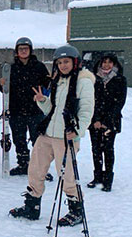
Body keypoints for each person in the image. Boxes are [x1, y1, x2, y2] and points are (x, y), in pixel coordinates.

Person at [9, 45, 95, 227]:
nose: (63, 65)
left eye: (66, 62)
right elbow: (53, 110)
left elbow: (86, 111)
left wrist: (77, 131)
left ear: (75, 62)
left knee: (68, 175)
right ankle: (32, 206)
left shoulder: (83, 81)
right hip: (47, 133)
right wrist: (42, 101)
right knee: (35, 170)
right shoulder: (58, 80)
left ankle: (76, 210)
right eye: (60, 62)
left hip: (67, 137)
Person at [0, 37, 50, 176]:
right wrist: (2, 84)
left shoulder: (39, 66)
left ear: (30, 50)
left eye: (25, 48)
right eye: (20, 49)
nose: (23, 51)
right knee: (19, 139)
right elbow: (5, 90)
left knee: (38, 141)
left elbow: (48, 85)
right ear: (16, 51)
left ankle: (40, 167)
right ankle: (23, 163)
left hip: (36, 110)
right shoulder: (11, 67)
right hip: (17, 110)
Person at [87, 53, 127, 192]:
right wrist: (96, 119)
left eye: (110, 62)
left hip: (111, 121)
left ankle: (107, 180)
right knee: (96, 149)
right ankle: (97, 176)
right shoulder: (93, 79)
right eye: (104, 62)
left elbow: (119, 102)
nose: (106, 65)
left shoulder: (120, 80)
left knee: (108, 150)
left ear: (115, 64)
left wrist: (106, 121)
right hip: (95, 121)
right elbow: (90, 101)